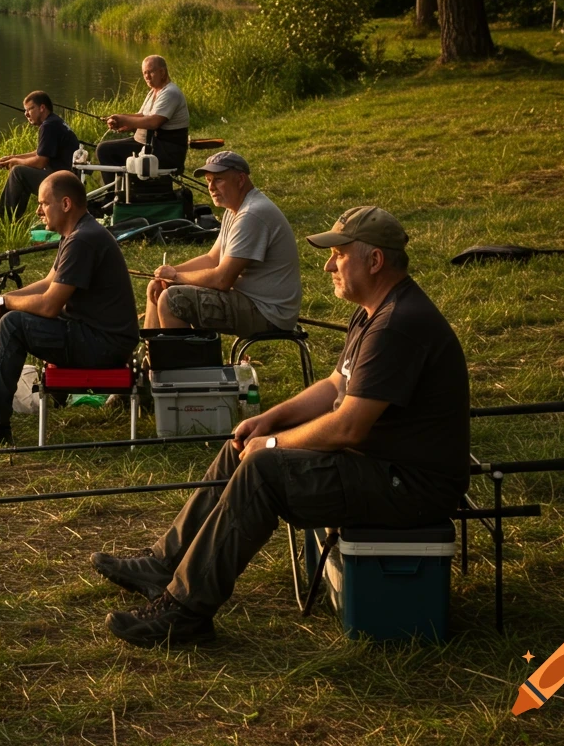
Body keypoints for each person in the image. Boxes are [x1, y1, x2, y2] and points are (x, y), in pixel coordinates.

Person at [93, 206, 469, 646]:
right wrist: (269, 420)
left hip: (410, 486)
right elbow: (335, 386)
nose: (328, 265)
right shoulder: (374, 311)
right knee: (242, 445)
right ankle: (163, 564)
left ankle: (185, 611)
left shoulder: (397, 325)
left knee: (262, 470)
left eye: (339, 255)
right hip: (382, 467)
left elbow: (348, 427)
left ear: (375, 261)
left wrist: (273, 444)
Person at [0, 171, 140, 445]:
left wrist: (3, 302)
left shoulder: (83, 239)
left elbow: (49, 305)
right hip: (92, 334)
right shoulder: (77, 232)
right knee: (5, 316)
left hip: (104, 345)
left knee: (12, 323)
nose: (38, 210)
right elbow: (47, 283)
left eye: (43, 203)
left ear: (66, 204)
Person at [144, 151, 301, 337]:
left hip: (268, 313)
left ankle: (183, 364)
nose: (211, 187)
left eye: (218, 180)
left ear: (240, 179)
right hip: (252, 302)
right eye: (209, 180)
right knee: (158, 286)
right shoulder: (234, 209)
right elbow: (212, 259)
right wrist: (168, 275)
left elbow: (222, 280)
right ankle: (153, 358)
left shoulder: (252, 214)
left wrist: (176, 276)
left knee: (174, 300)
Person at [97, 55, 189, 188]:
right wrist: (122, 121)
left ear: (162, 72)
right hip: (147, 144)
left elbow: (154, 122)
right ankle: (122, 191)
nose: (147, 76)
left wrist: (124, 119)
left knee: (104, 150)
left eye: (150, 72)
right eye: (144, 73)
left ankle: (113, 195)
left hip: (164, 150)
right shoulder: (153, 92)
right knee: (105, 149)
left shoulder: (170, 93)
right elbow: (142, 116)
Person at [0, 91, 81, 219]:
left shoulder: (48, 126)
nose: (26, 114)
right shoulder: (55, 121)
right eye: (25, 110)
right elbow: (40, 152)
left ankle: (3, 218)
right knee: (22, 172)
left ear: (42, 108)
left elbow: (41, 162)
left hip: (62, 183)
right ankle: (13, 219)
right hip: (68, 178)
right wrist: (11, 158)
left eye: (30, 109)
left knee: (18, 172)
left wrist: (16, 162)